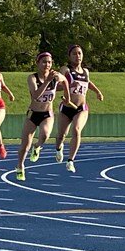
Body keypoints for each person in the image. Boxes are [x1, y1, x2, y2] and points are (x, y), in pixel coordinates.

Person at [15, 52, 75, 181]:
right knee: (25, 145)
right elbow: (36, 95)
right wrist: (47, 82)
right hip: (33, 113)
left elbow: (65, 81)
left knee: (45, 134)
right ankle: (20, 166)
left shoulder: (55, 76)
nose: (47, 65)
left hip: (47, 113)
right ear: (38, 63)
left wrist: (67, 99)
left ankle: (37, 147)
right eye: (44, 62)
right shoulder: (32, 78)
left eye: (49, 62)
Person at [54, 45, 104, 173]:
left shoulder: (86, 72)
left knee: (76, 130)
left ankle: (70, 160)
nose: (78, 56)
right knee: (61, 136)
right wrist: (69, 84)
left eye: (80, 53)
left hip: (81, 108)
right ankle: (59, 148)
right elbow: (57, 86)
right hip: (66, 107)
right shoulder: (66, 70)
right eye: (75, 54)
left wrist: (98, 92)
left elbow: (88, 82)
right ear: (70, 56)